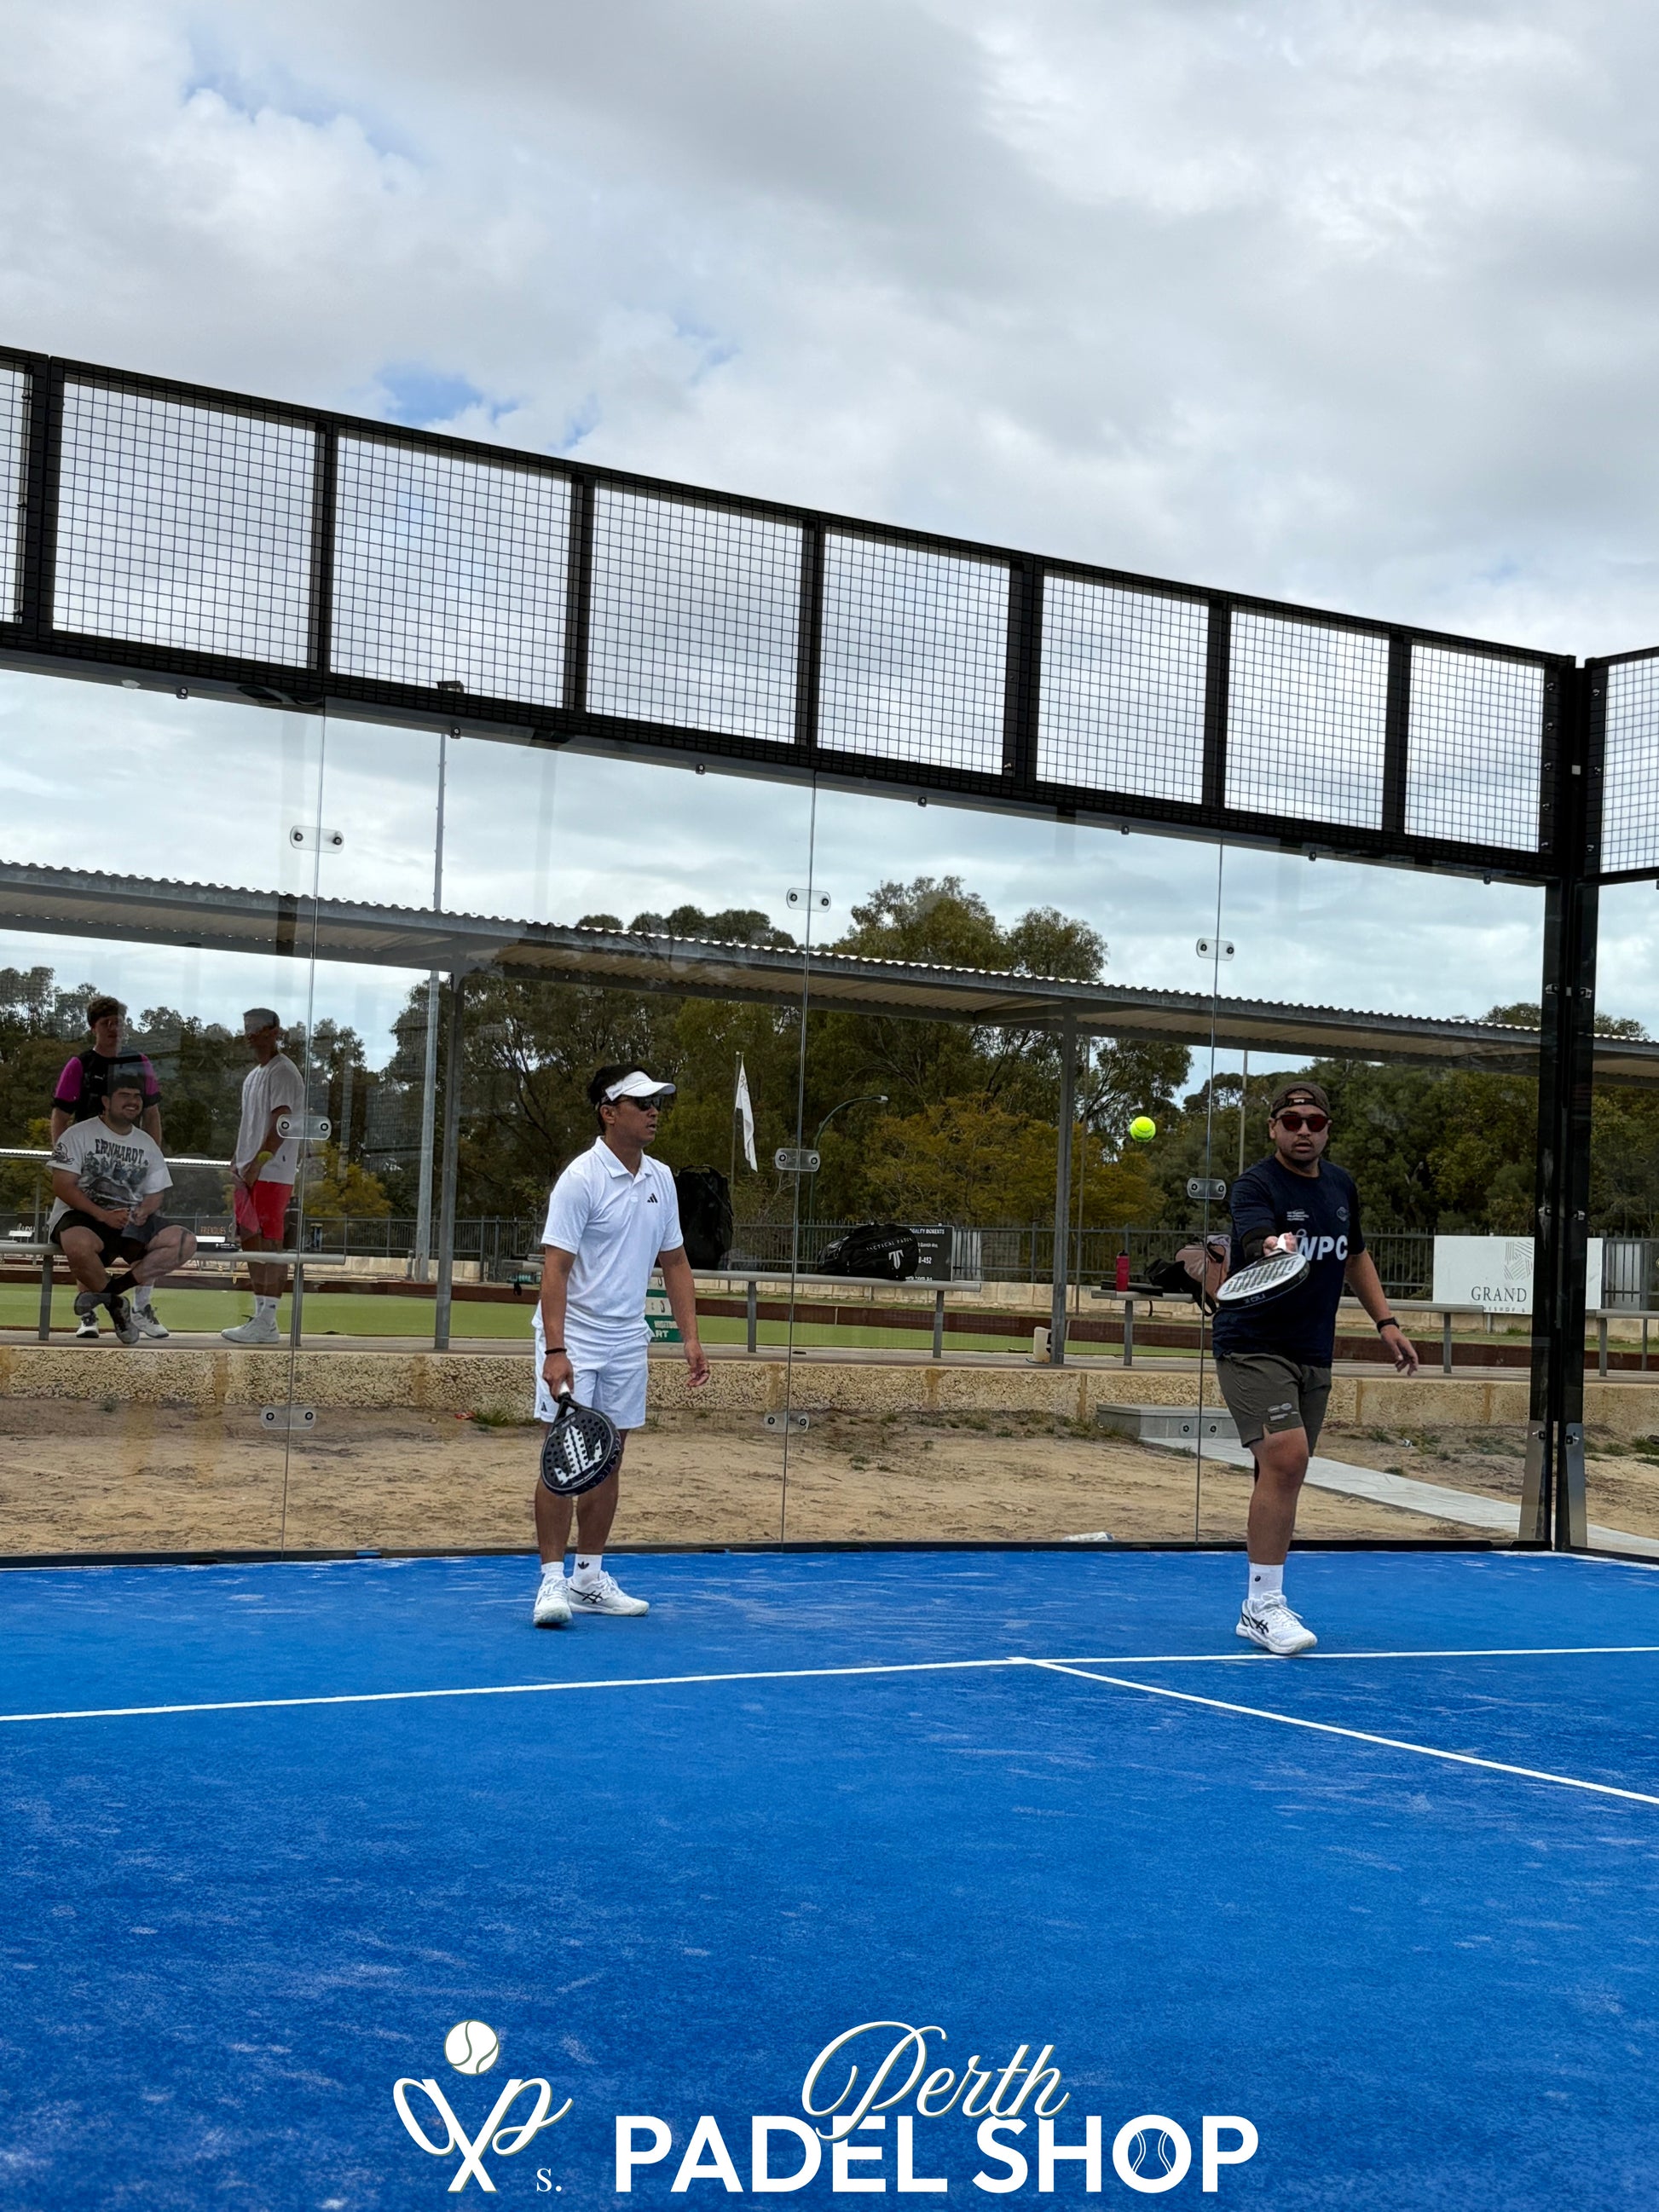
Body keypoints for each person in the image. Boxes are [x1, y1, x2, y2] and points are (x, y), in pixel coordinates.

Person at [1212, 1080, 1420, 1655]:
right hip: (1252, 1343)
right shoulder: (1255, 1184)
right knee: (1287, 1457)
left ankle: (1259, 1600)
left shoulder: (1341, 1184)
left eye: (1315, 1121)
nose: (1304, 1130)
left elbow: (1354, 1254)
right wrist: (1273, 1246)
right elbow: (1256, 1237)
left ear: (1327, 1129)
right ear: (1273, 1128)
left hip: (1312, 1350)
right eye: (1292, 1121)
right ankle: (1263, 1607)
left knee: (1281, 1472)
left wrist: (1386, 1322)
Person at [531, 1065, 710, 1628]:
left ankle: (588, 1576)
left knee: (608, 1457)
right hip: (575, 1338)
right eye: (642, 1103)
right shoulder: (580, 1179)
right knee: (563, 1457)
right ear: (609, 1113)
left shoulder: (662, 1178)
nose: (654, 1111)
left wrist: (690, 1337)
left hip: (628, 1338)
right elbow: (556, 1269)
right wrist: (555, 1350)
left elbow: (675, 1262)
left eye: (658, 1103)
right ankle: (551, 1581)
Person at [50, 995, 169, 1340]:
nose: (115, 1029)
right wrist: (65, 1160)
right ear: (94, 1027)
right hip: (91, 1165)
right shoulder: (80, 1065)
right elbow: (60, 1115)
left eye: (119, 1022)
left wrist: (152, 1160)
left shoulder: (140, 1062)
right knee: (85, 1236)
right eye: (107, 1023)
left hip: (130, 1166)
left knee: (145, 1234)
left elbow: (152, 1114)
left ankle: (142, 1308)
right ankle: (89, 1314)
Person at [48, 1071, 197, 1344]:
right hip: (83, 1215)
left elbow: (156, 1192)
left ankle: (113, 1293)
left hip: (130, 1221)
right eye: (124, 1095)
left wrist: (144, 1210)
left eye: (137, 1096)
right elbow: (62, 1186)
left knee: (184, 1242)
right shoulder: (77, 1134)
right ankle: (116, 1306)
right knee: (77, 1245)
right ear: (105, 1101)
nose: (133, 1101)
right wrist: (102, 1214)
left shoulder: (146, 1143)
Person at [221, 1009, 305, 1348]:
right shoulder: (253, 1076)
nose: (251, 1034)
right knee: (250, 1240)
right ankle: (261, 1317)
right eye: (248, 1028)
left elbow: (283, 1123)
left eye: (257, 1028)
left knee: (269, 1242)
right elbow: (251, 1124)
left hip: (272, 1172)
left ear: (275, 1032)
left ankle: (268, 1318)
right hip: (248, 1170)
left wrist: (260, 1161)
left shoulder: (283, 1071)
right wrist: (238, 1158)